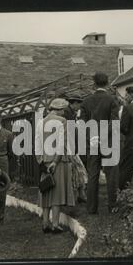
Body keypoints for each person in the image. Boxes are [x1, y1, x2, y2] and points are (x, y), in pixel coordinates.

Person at [79, 72, 120, 214]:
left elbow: (82, 124)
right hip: (108, 141)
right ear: (107, 83)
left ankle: (91, 208)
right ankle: (112, 206)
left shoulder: (86, 102)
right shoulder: (112, 100)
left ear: (94, 84)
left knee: (93, 175)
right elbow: (114, 123)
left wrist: (93, 136)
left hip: (92, 142)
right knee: (111, 176)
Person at [35, 98, 75, 233]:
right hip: (57, 160)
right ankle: (55, 224)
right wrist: (55, 161)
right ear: (58, 110)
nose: (64, 113)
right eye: (63, 110)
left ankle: (45, 223)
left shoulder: (41, 122)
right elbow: (61, 143)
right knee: (57, 193)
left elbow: (37, 143)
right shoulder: (61, 121)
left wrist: (40, 160)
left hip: (44, 159)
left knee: (46, 190)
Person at [64, 94, 88, 203]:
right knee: (78, 170)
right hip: (69, 147)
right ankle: (77, 195)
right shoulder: (67, 113)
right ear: (74, 103)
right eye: (79, 104)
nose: (79, 106)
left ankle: (80, 194)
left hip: (72, 146)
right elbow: (69, 131)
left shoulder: (71, 113)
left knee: (78, 171)